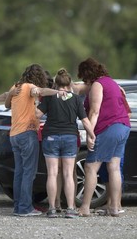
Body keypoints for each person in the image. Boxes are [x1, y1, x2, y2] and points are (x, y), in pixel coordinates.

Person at [3, 64, 68, 217]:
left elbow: (6, 105)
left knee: (19, 172)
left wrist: (11, 93)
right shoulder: (30, 87)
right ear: (38, 76)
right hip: (27, 133)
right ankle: (25, 208)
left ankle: (18, 207)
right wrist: (58, 92)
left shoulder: (16, 86)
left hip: (14, 135)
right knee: (28, 173)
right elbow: (40, 91)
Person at [35, 68, 96, 218]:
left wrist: (36, 102)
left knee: (52, 173)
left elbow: (37, 114)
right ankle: (70, 208)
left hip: (50, 137)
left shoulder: (49, 97)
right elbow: (85, 120)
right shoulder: (75, 99)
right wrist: (92, 135)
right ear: (69, 84)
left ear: (55, 84)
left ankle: (52, 208)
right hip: (69, 137)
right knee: (69, 174)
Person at [76, 58, 131, 217]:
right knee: (113, 166)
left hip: (109, 127)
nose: (84, 81)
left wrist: (90, 134)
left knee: (90, 167)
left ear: (87, 74)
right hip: (123, 126)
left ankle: (84, 207)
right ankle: (114, 207)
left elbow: (94, 112)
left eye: (84, 77)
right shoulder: (111, 82)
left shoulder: (97, 85)